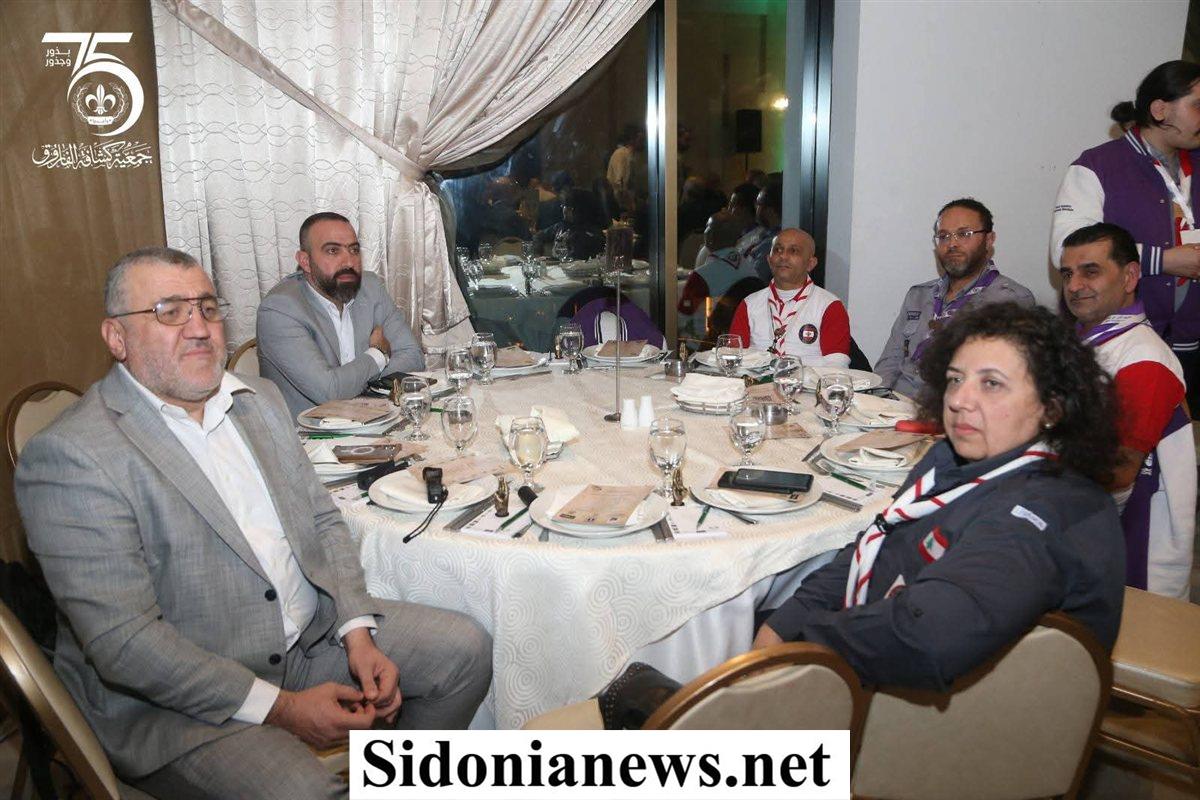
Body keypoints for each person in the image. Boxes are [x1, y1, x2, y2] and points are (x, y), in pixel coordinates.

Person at [14, 247, 492, 799]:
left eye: (207, 307)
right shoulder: (73, 456)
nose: (199, 328)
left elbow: (322, 521)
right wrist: (283, 709)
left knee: (465, 651)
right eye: (170, 311)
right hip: (179, 705)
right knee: (304, 791)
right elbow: (127, 644)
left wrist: (357, 634)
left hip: (308, 642)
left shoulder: (257, 400)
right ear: (116, 337)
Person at [753, 303, 1125, 689]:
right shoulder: (949, 457)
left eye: (991, 384)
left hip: (930, 708)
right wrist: (787, 622)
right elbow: (877, 545)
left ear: (1052, 407)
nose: (959, 399)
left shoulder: (1042, 511)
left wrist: (805, 640)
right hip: (873, 644)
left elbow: (927, 639)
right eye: (955, 379)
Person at [1052, 60, 1200, 416]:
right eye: (1197, 105)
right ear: (1160, 110)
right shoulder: (1097, 165)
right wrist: (1164, 260)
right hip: (1118, 348)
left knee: (1179, 444)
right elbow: (1066, 249)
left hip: (1190, 345)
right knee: (1118, 443)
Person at [1059, 223, 1196, 599]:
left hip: (1137, 559)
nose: (1074, 286)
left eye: (1090, 271)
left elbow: (1118, 472)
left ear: (1130, 276)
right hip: (1090, 541)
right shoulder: (1084, 345)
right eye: (1067, 274)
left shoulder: (1143, 358)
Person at [257, 212, 425, 416]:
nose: (349, 262)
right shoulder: (280, 309)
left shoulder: (370, 287)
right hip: (310, 432)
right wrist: (378, 354)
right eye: (333, 251)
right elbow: (329, 392)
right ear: (305, 261)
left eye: (354, 250)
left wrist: (353, 381)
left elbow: (413, 357)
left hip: (374, 421)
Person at [876, 198, 1036, 398]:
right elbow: (890, 361)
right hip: (894, 404)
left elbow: (998, 382)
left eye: (964, 234)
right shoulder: (919, 295)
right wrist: (874, 403)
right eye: (944, 236)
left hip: (953, 407)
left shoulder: (1009, 300)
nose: (952, 244)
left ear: (989, 240)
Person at [728, 228, 850, 365]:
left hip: (810, 379)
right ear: (769, 260)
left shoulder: (829, 306)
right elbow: (733, 360)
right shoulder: (749, 304)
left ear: (810, 264)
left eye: (793, 251)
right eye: (778, 250)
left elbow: (836, 368)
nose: (783, 256)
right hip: (756, 378)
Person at [677, 211, 763, 342]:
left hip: (708, 343)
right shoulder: (751, 269)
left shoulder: (702, 276)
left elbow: (682, 317)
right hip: (748, 338)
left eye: (706, 227)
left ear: (710, 236)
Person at [532, 188, 605, 260]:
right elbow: (538, 236)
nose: (562, 208)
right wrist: (538, 254)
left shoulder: (591, 233)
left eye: (565, 206)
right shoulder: (560, 226)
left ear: (574, 210)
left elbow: (577, 258)